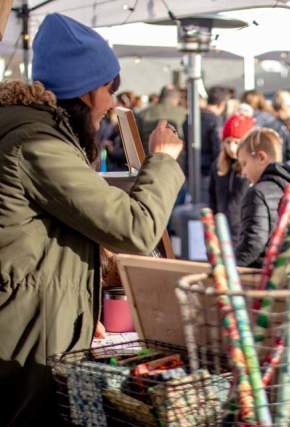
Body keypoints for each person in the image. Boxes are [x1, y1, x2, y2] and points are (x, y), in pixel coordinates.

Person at [0, 13, 184, 425]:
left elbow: (47, 240)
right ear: (85, 92)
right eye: (109, 88)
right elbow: (135, 228)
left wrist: (81, 311)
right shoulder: (38, 143)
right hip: (23, 346)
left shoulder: (30, 132)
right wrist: (164, 162)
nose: (113, 102)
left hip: (32, 329)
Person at [235, 128, 290, 268]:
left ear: (261, 158)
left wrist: (231, 268)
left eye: (244, 163)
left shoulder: (257, 193)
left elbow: (253, 244)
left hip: (265, 276)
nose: (243, 172)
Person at [209, 114, 254, 246]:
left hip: (243, 232)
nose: (232, 148)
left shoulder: (250, 169)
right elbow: (212, 198)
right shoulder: (218, 166)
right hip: (222, 231)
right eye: (228, 142)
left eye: (237, 142)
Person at [137, 84, 187, 152]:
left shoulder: (143, 113)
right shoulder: (184, 114)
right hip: (176, 156)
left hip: (147, 156)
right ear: (177, 99)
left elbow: (136, 139)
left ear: (160, 97)